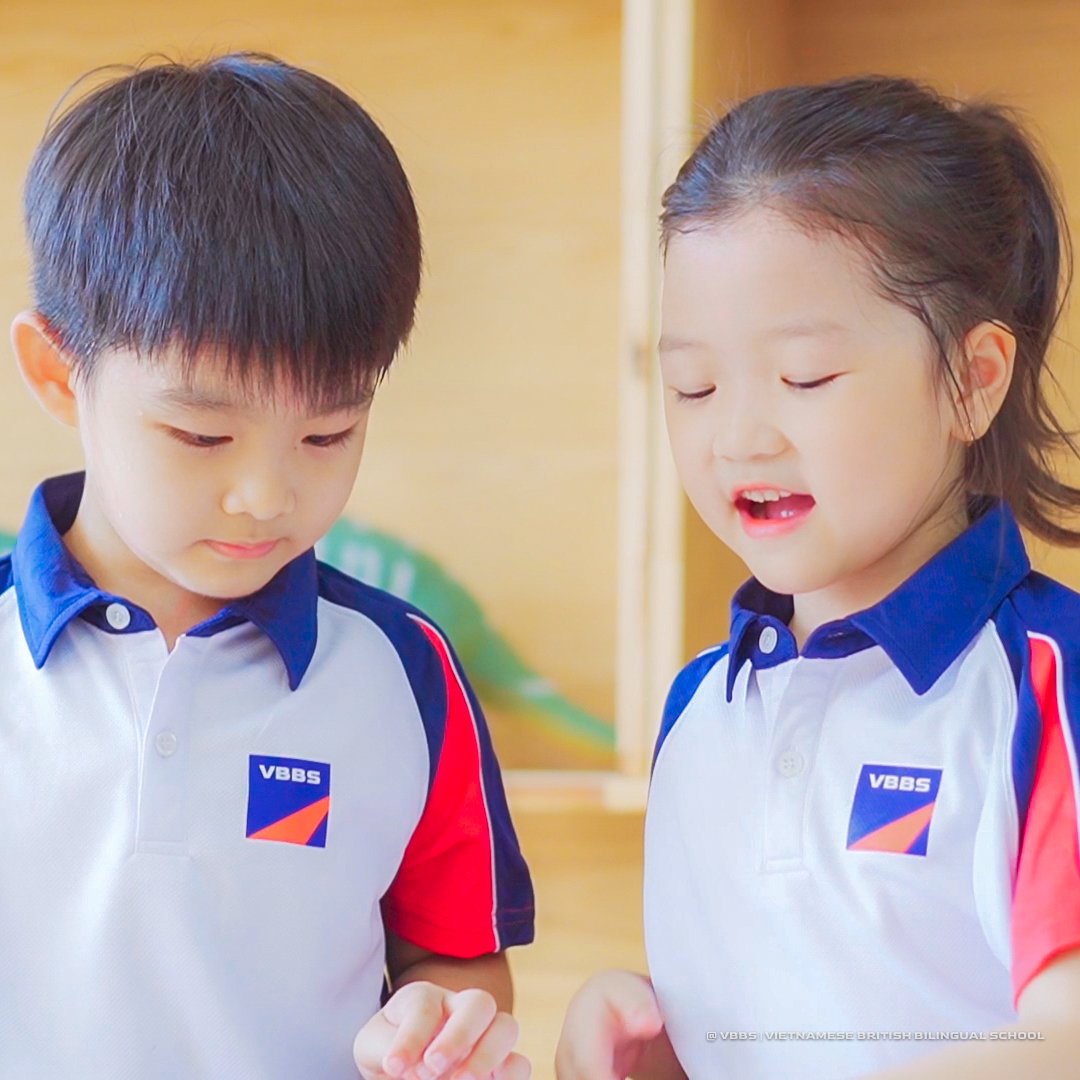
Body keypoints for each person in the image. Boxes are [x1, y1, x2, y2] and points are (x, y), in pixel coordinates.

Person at [4, 54, 534, 1080]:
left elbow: (459, 957)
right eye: (202, 436)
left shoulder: (403, 672)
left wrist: (442, 1034)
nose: (267, 495)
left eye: (327, 434)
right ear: (58, 374)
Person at [556, 74, 1080, 1079]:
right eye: (694, 386)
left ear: (972, 381)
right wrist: (633, 1047)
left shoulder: (1047, 684)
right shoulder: (701, 710)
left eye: (805, 378)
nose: (740, 436)